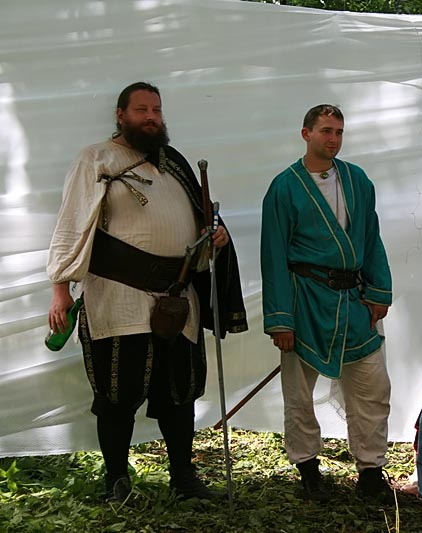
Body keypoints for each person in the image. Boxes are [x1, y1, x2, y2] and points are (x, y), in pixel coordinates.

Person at [47, 82, 248, 502]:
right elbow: (71, 223)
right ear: (121, 115)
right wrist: (60, 288)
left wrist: (216, 235)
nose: (151, 117)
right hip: (119, 295)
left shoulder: (174, 164)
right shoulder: (96, 158)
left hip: (177, 297)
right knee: (118, 393)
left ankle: (184, 479)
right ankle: (117, 481)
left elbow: (201, 219)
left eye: (156, 109)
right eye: (141, 110)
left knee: (180, 392)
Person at [260, 104, 393, 504]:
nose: (333, 139)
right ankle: (308, 469)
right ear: (306, 134)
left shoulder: (357, 180)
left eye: (338, 132)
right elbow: (273, 255)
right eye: (325, 131)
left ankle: (371, 471)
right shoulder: (285, 187)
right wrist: (281, 319)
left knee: (372, 387)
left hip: (354, 301)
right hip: (306, 300)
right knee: (299, 393)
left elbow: (371, 238)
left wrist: (378, 292)